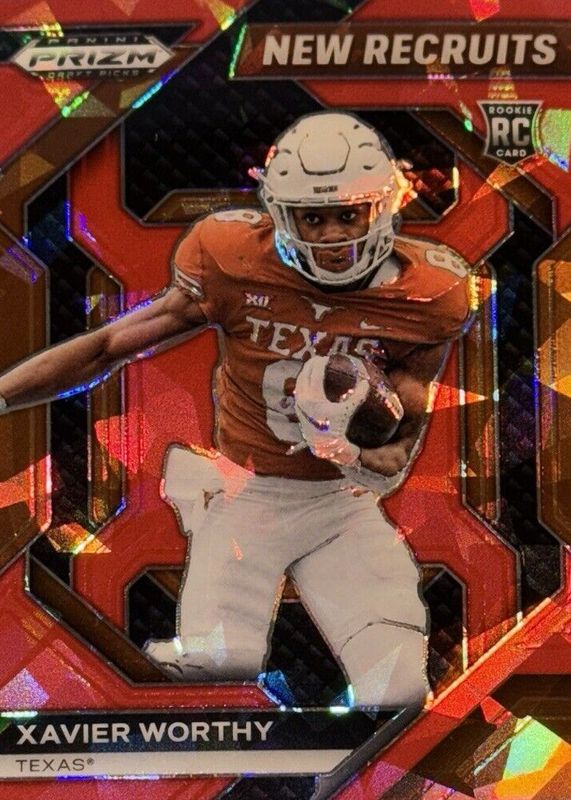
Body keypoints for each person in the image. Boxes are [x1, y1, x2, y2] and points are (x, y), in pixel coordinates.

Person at [0, 112, 472, 708]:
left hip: (340, 505)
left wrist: (358, 449)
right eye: (313, 217)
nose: (331, 236)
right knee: (218, 671)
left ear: (383, 206)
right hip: (247, 497)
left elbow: (399, 443)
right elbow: (110, 345)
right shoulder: (231, 259)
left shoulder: (429, 295)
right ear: (279, 212)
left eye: (348, 214)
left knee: (398, 687)